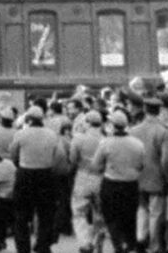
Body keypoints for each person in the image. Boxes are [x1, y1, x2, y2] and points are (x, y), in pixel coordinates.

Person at [8, 105, 65, 253]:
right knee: (46, 214)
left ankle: (23, 248)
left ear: (28, 119)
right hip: (45, 175)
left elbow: (13, 154)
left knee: (21, 216)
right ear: (42, 120)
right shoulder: (52, 135)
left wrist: (20, 165)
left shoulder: (21, 134)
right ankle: (42, 246)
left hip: (25, 174)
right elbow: (60, 156)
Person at [92, 110, 145, 253]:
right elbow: (141, 165)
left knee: (111, 219)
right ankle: (130, 245)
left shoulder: (106, 143)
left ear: (112, 125)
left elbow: (96, 165)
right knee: (129, 218)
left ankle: (118, 247)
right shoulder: (138, 144)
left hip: (111, 185)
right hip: (131, 185)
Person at [130, 98, 168, 253]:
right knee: (155, 213)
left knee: (141, 209)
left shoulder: (133, 130)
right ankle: (154, 246)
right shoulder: (163, 131)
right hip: (156, 178)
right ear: (159, 111)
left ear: (145, 110)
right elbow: (166, 160)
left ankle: (141, 238)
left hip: (138, 175)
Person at [70, 110, 106, 253]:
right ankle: (99, 238)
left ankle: (85, 243)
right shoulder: (106, 139)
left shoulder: (78, 139)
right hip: (101, 178)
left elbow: (72, 160)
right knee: (99, 212)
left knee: (78, 212)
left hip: (83, 176)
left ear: (87, 123)